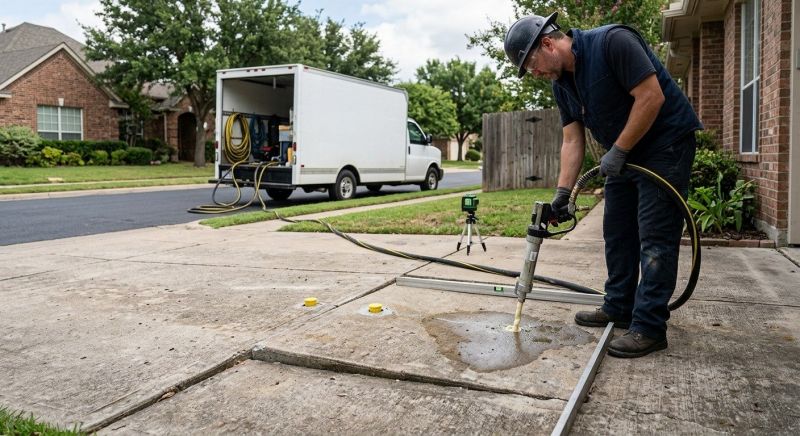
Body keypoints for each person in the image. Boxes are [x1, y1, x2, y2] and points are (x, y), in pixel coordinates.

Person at [504, 13, 702, 358]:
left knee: (655, 237)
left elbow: (651, 97)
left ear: (548, 43)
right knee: (617, 233)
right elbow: (571, 140)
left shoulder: (613, 42)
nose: (533, 73)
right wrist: (563, 194)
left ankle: (649, 327)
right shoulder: (561, 84)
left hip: (664, 147)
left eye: (530, 64)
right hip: (623, 155)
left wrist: (620, 149)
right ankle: (619, 306)